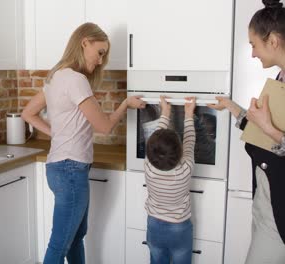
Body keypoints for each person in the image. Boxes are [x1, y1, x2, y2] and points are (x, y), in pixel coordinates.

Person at [208, 0, 285, 263]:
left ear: (273, 40)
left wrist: (268, 127)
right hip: (268, 200)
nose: (253, 53)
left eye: (254, 44)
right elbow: (266, 132)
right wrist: (232, 107)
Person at [21, 22, 145, 264]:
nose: (100, 61)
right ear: (84, 42)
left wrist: (56, 133)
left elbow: (28, 113)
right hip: (70, 169)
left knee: (75, 237)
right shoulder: (76, 79)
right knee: (59, 244)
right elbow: (105, 126)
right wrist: (125, 104)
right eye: (100, 52)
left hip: (59, 167)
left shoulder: (56, 77)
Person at [144, 96, 196, 264]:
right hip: (179, 227)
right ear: (180, 153)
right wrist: (188, 114)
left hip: (154, 225)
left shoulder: (148, 166)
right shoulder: (185, 169)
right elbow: (190, 141)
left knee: (157, 260)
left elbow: (155, 140)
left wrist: (164, 113)